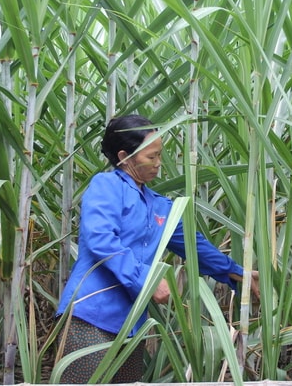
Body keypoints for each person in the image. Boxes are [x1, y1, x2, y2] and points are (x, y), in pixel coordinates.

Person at [55, 114, 259, 383]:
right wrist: (148, 280)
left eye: (160, 155)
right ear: (125, 156)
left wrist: (236, 272)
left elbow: (193, 246)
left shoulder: (159, 206)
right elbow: (101, 239)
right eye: (152, 157)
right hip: (91, 316)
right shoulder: (106, 186)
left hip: (132, 324)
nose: (159, 164)